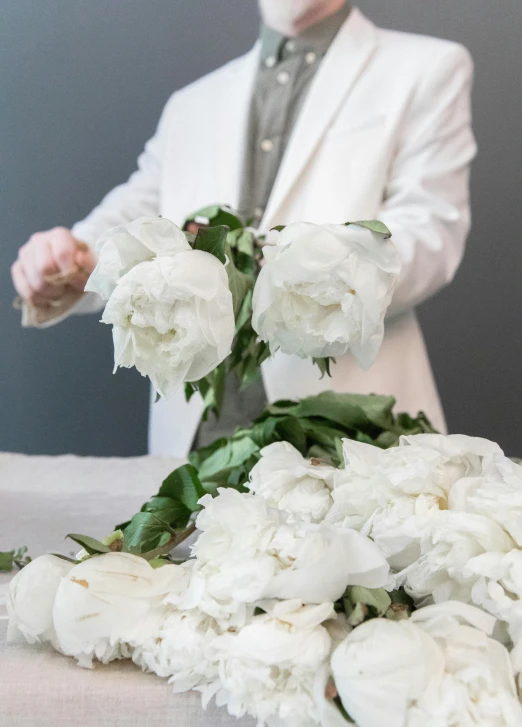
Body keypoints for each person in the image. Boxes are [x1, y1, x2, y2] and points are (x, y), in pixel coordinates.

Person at [11, 0, 477, 457]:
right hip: (196, 444)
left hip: (349, 436)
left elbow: (429, 230)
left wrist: (300, 267)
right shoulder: (192, 103)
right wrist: (68, 257)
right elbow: (132, 216)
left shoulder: (427, 67)